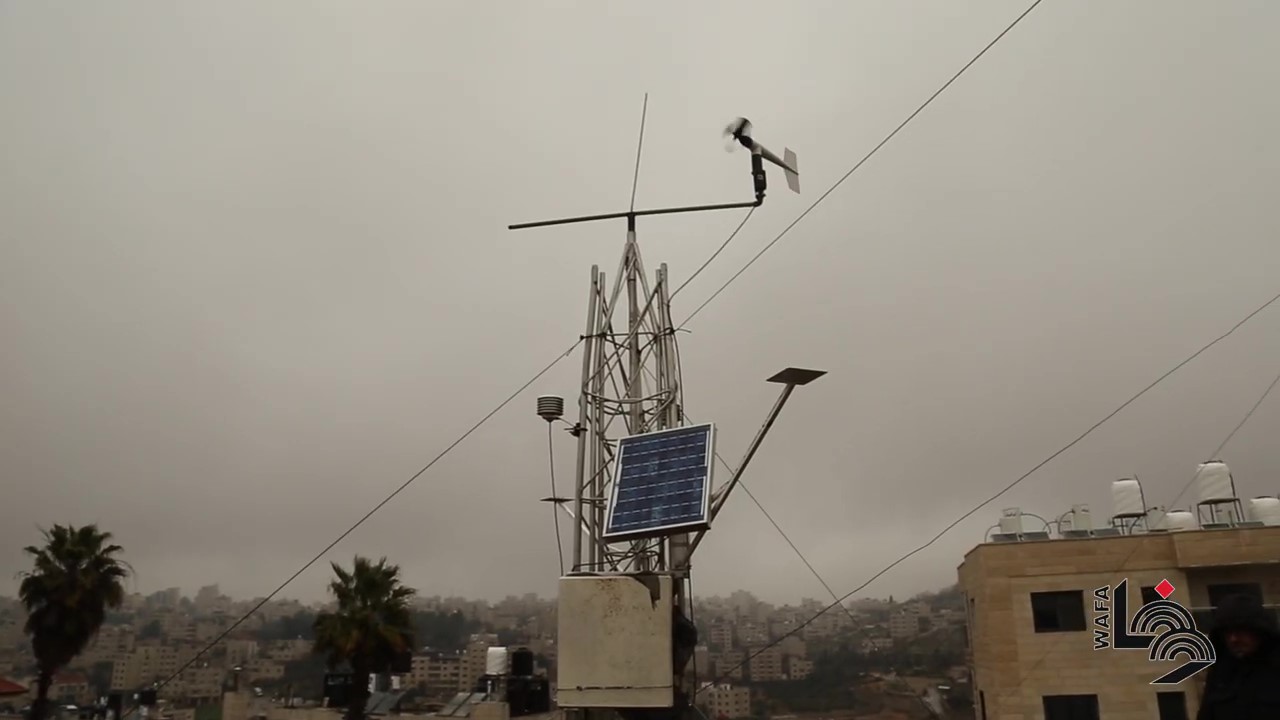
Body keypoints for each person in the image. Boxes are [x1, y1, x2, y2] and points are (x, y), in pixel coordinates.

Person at [1195, 593, 1280, 719]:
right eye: (1227, 632)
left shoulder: (1275, 669)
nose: (1233, 639)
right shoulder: (1221, 675)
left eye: (1240, 631)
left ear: (1259, 631)